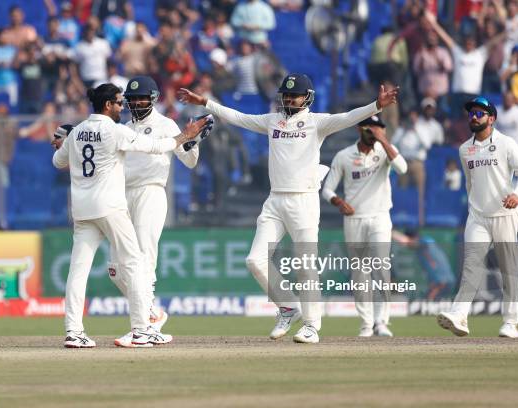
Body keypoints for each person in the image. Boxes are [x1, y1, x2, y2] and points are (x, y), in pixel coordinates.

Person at [178, 74, 399, 343]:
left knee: (306, 265)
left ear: (307, 97)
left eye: (294, 95)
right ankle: (287, 305)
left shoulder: (317, 123)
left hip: (303, 200)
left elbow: (349, 117)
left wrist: (376, 104)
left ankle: (311, 325)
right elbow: (237, 117)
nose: (288, 98)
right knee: (254, 260)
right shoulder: (273, 121)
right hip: (275, 200)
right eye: (285, 94)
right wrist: (205, 102)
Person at [52, 83, 207, 348]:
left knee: (78, 271)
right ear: (108, 105)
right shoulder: (116, 131)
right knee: (133, 264)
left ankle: (73, 331)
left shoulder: (77, 132)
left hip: (82, 210)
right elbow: (156, 148)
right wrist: (186, 136)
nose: (123, 107)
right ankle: (142, 329)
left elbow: (58, 161)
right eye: (120, 103)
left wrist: (65, 143)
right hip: (111, 206)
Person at [108, 76, 202, 347]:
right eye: (133, 98)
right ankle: (151, 314)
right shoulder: (124, 126)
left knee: (144, 259)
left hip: (151, 191)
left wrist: (192, 141)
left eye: (142, 98)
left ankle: (143, 328)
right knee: (115, 268)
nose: (137, 102)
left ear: (153, 99)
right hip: (123, 196)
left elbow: (190, 161)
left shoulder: (165, 124)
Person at [437, 96, 518, 338]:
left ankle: (511, 322)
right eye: (471, 113)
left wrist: (516, 194)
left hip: (505, 214)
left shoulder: (506, 143)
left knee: (508, 270)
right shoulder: (465, 149)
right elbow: (471, 184)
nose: (473, 116)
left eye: (479, 113)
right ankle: (459, 315)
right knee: (471, 265)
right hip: (478, 216)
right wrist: (476, 207)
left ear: (491, 119)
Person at [322, 115, 407, 337]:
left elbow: (403, 168)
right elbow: (327, 190)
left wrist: (384, 142)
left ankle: (382, 322)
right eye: (372, 129)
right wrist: (339, 202)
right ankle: (367, 323)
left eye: (380, 129)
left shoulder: (386, 151)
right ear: (361, 128)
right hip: (354, 219)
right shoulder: (344, 156)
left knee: (380, 266)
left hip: (379, 216)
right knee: (360, 272)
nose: (376, 133)